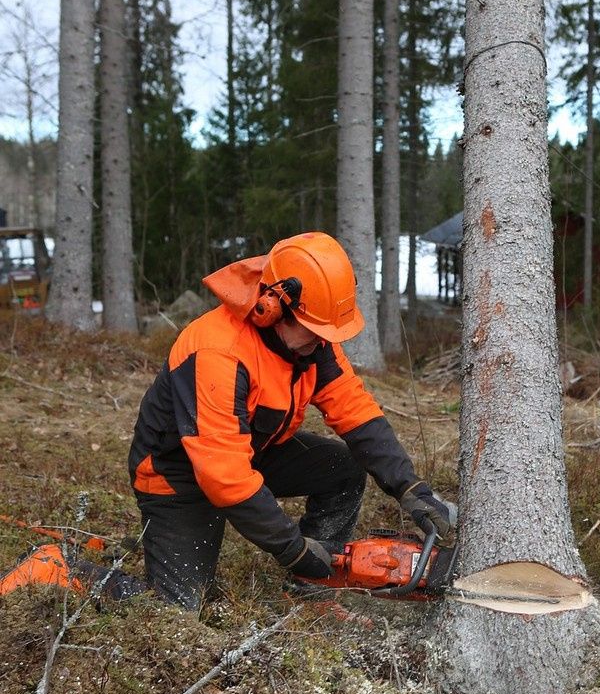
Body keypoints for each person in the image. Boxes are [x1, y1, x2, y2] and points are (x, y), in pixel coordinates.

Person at [123, 231, 452, 609]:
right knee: (177, 608)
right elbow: (223, 476)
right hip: (177, 475)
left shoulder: (314, 346)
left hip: (249, 452)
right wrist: (293, 550)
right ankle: (60, 570)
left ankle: (311, 589)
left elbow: (356, 412)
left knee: (342, 467)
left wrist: (410, 488)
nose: (321, 341)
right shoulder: (219, 352)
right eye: (313, 330)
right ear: (273, 307)